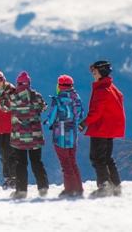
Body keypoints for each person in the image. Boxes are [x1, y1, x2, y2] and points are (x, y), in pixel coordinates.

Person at [79, 60, 125, 197]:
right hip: (109, 129)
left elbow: (96, 112)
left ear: (101, 72)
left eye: (95, 71)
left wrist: (84, 123)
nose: (93, 73)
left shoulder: (102, 90)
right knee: (106, 158)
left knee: (97, 158)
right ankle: (115, 186)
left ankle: (104, 186)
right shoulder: (112, 88)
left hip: (101, 128)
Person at [0, 71, 49, 198]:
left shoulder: (13, 97)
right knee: (37, 162)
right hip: (35, 136)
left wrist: (7, 95)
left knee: (21, 164)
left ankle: (21, 190)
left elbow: (2, 107)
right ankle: (43, 187)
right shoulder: (36, 96)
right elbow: (44, 107)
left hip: (19, 137)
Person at [49, 75, 85, 198]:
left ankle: (71, 191)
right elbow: (80, 116)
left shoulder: (57, 99)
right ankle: (78, 189)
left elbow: (51, 118)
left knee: (66, 164)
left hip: (60, 136)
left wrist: (50, 122)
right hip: (73, 135)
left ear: (59, 86)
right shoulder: (77, 98)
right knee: (72, 163)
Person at [0, 70, 17, 189]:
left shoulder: (11, 91)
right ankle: (8, 177)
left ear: (4, 79)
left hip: (10, 128)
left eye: (0, 79)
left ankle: (15, 177)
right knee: (3, 155)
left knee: (11, 154)